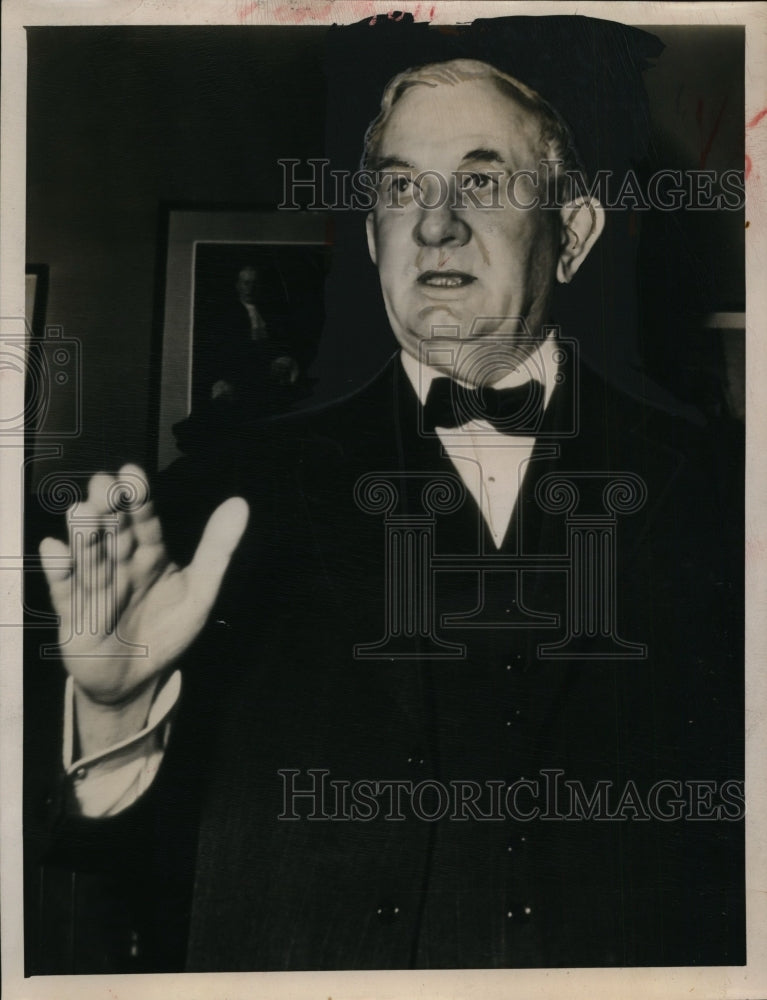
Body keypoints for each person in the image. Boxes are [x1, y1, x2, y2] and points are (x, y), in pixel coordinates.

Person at [26, 58, 743, 973]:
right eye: (401, 188)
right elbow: (112, 890)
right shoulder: (211, 500)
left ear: (572, 231)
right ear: (372, 236)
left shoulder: (723, 492)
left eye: (481, 181)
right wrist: (114, 710)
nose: (435, 224)